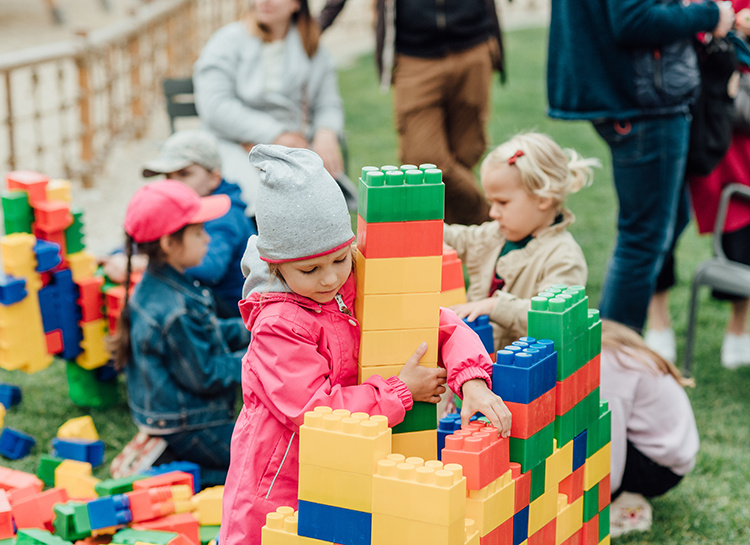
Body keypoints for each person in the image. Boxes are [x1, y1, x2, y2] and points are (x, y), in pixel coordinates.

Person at [219, 144, 512, 544]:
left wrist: (472, 380)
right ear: (275, 264)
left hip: (351, 468)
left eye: (339, 259)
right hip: (282, 482)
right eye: (310, 269)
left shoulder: (359, 283)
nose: (329, 279)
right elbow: (314, 412)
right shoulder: (279, 325)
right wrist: (399, 391)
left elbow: (440, 324)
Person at [547, 0, 736, 333]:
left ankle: (614, 350)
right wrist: (711, 14)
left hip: (630, 94)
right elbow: (634, 19)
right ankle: (614, 357)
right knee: (643, 239)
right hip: (642, 102)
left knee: (668, 221)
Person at [113, 180, 251, 486]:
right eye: (199, 232)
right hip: (190, 423)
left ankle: (172, 457)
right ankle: (175, 472)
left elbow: (211, 332)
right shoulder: (175, 310)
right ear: (168, 243)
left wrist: (256, 328)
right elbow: (208, 375)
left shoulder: (165, 284)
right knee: (260, 459)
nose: (207, 239)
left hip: (174, 415)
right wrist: (257, 359)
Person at [318, 0, 504, 225]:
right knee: (427, 163)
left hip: (473, 46)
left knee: (466, 153)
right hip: (414, 56)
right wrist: (316, 26)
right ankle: (494, 221)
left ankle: (454, 246)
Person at [645, 5, 750, 368]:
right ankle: (658, 320)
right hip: (673, 102)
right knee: (660, 219)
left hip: (733, 118)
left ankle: (739, 327)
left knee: (742, 223)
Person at [193, 0, 348, 217]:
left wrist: (326, 131)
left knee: (315, 200)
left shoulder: (311, 46)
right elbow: (215, 106)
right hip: (234, 141)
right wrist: (276, 135)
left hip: (295, 145)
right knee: (254, 195)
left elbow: (328, 103)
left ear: (296, 5)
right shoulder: (227, 41)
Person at [443, 133, 597, 351]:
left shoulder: (563, 256)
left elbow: (555, 317)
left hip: (522, 373)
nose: (493, 212)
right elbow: (457, 238)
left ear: (543, 198)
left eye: (502, 202)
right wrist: (418, 228)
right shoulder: (496, 234)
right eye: (491, 202)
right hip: (476, 358)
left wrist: (496, 306)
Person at [140, 130, 256, 318]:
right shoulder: (186, 205)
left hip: (235, 313)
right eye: (168, 177)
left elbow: (210, 268)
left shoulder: (227, 214)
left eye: (184, 173)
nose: (174, 184)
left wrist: (147, 261)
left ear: (214, 178)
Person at [600, 319, 699, 537]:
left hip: (657, 467)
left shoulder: (606, 363)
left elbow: (608, 438)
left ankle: (624, 504)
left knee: (585, 435)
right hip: (671, 457)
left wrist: (598, 496)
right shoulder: (615, 349)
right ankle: (628, 495)